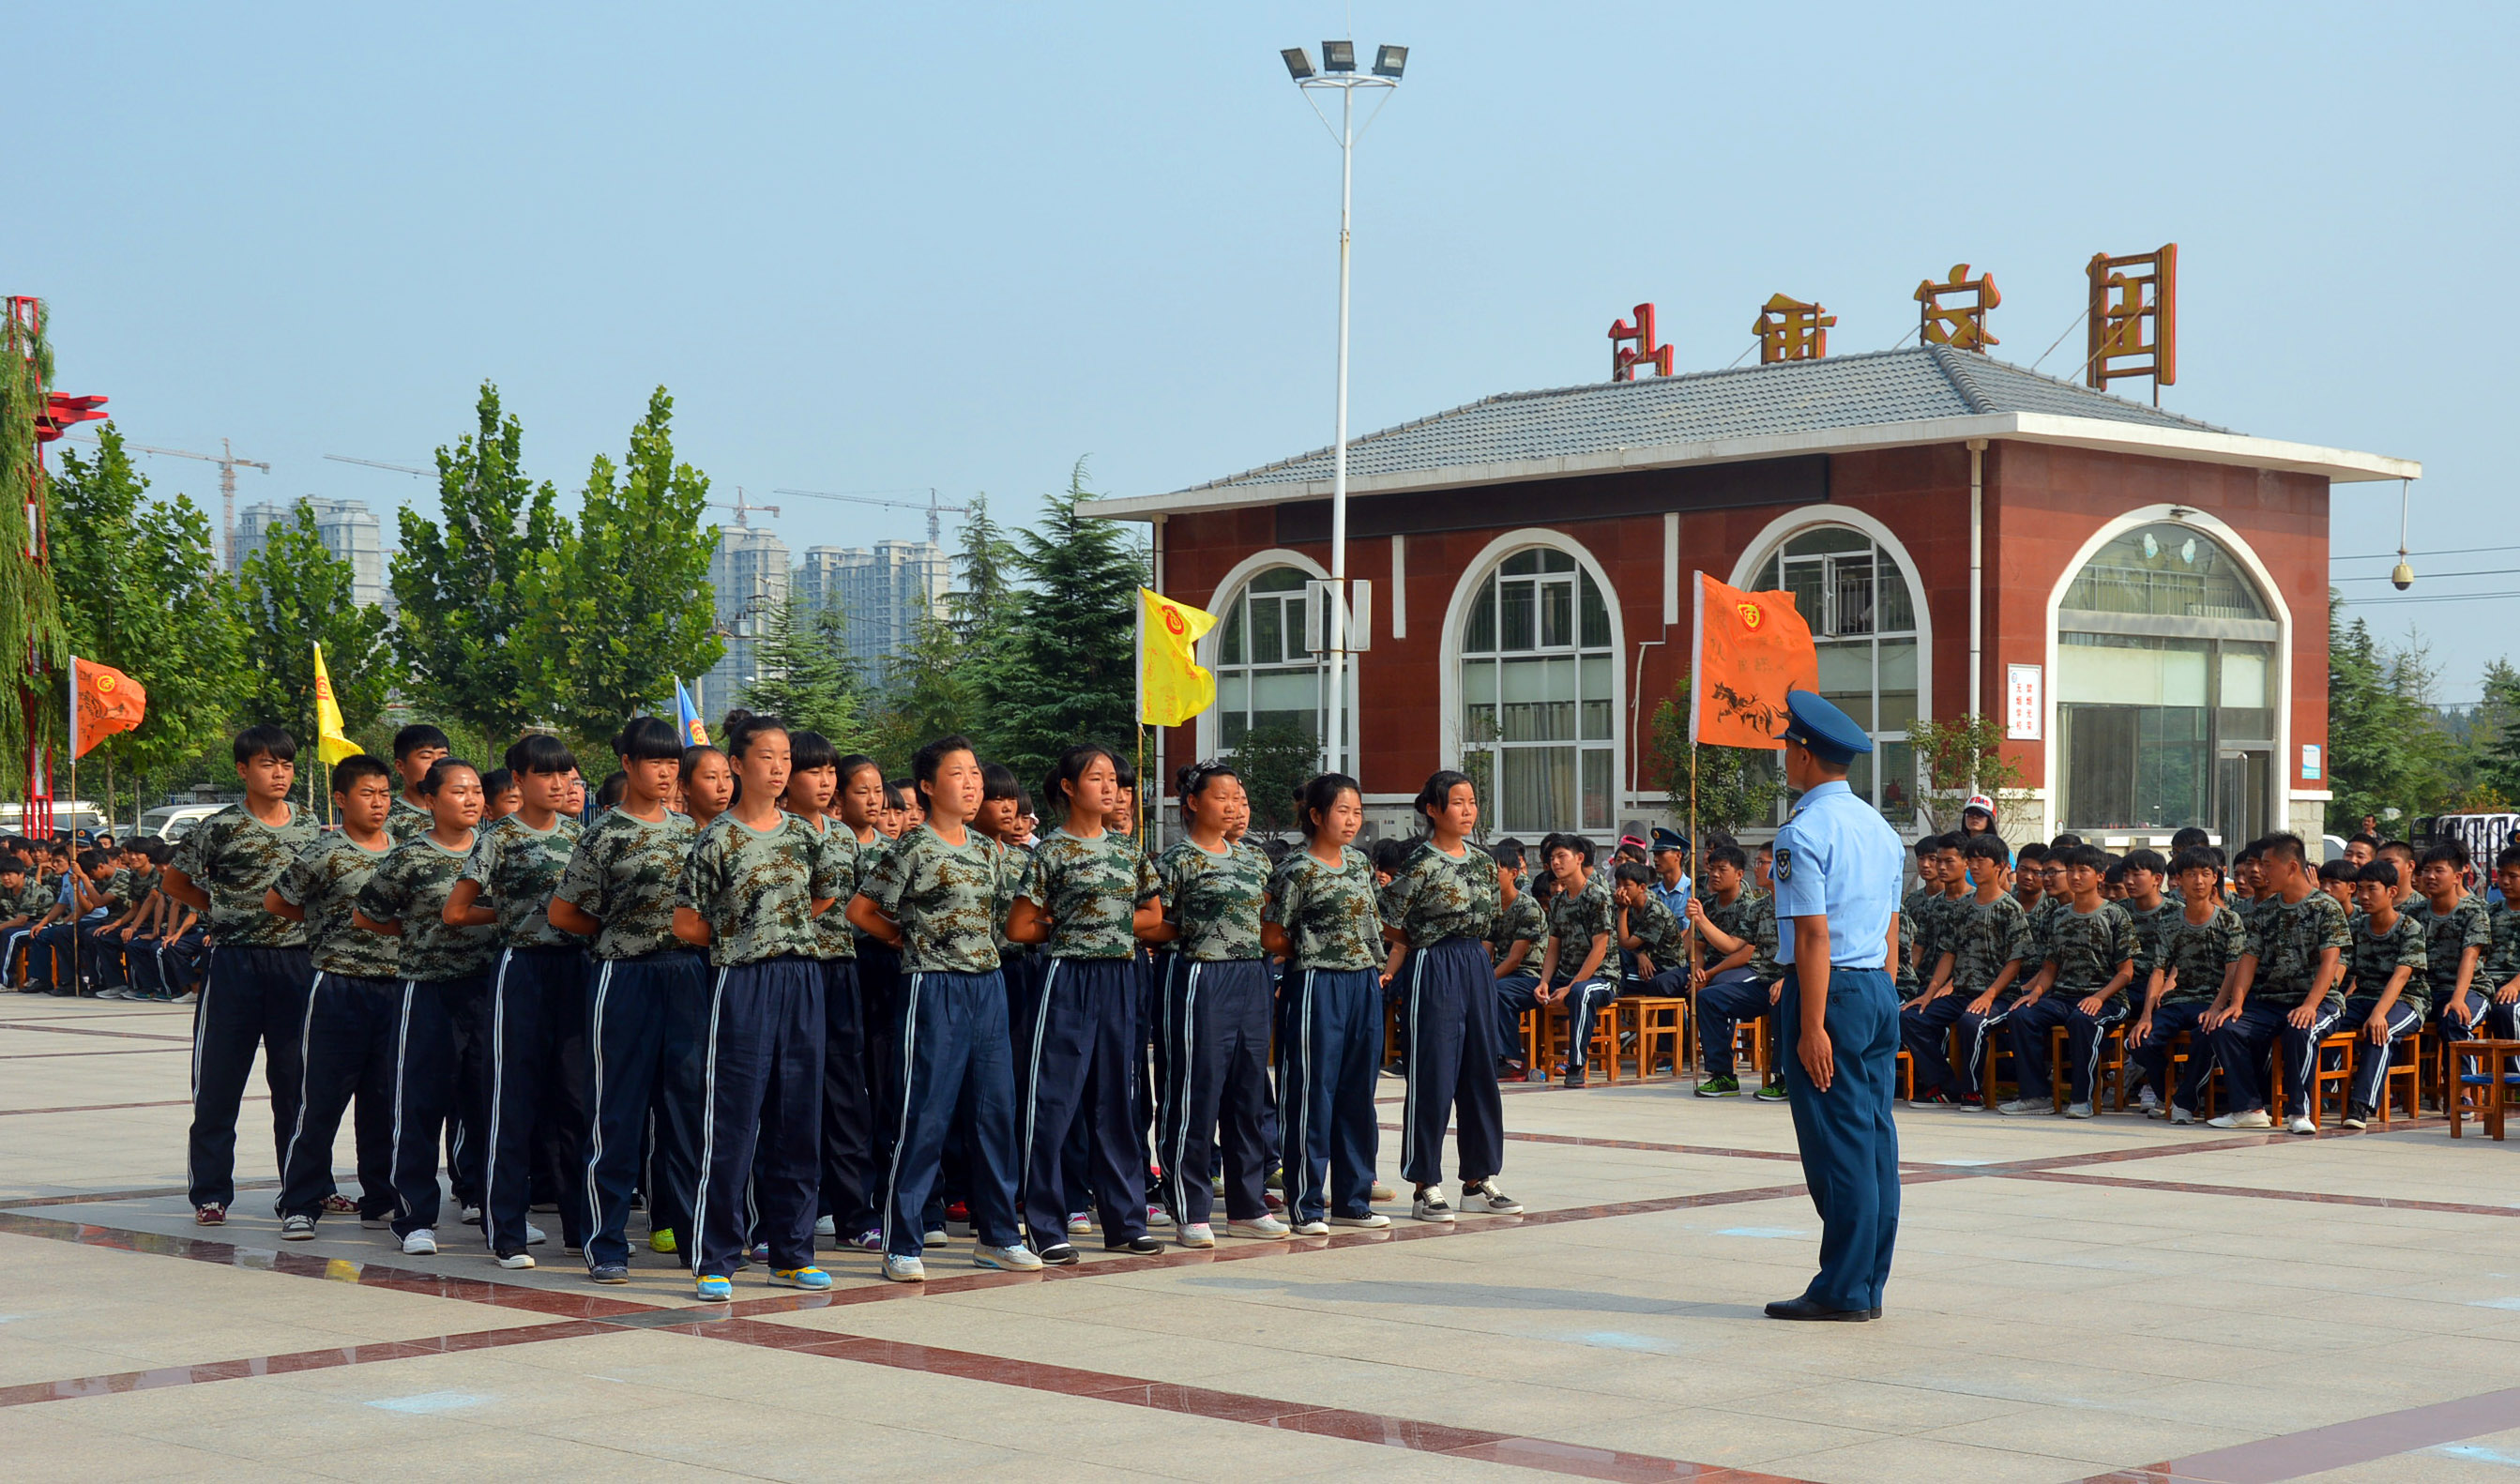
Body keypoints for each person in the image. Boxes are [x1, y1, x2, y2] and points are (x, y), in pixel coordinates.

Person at [849, 735, 1038, 1282]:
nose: (972, 783)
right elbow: (862, 910)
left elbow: (1002, 920)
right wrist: (902, 940)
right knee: (925, 1115)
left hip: (988, 987)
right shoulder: (912, 847)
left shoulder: (986, 849)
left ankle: (998, 1236)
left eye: (975, 773)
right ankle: (902, 1241)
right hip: (933, 988)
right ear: (929, 787)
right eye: (959, 774)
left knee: (994, 1114)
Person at [671, 711, 844, 1300]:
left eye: (785, 758)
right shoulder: (716, 837)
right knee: (733, 1120)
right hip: (741, 982)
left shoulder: (806, 835)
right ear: (738, 764)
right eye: (766, 757)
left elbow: (822, 897)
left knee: (799, 1120)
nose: (778, 768)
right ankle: (716, 1257)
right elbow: (686, 923)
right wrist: (743, 937)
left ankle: (792, 1253)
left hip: (802, 978)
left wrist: (779, 928)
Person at [548, 718, 706, 1282]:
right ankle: (607, 1241)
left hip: (686, 976)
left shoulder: (693, 832)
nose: (665, 773)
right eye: (654, 762)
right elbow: (563, 913)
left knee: (687, 1115)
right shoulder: (604, 833)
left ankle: (694, 1239)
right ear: (628, 765)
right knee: (616, 1115)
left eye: (672, 763)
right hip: (624, 978)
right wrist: (616, 934)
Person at [1763, 689, 1904, 1324]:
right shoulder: (1881, 830)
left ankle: (1843, 1289)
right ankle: (1867, 1285)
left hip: (1829, 990)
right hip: (1874, 986)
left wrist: (1812, 1024)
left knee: (1837, 1146)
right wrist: (1884, 994)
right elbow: (1892, 929)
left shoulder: (1803, 831)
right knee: (1873, 1141)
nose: (1785, 758)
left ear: (1803, 754)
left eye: (1787, 749)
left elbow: (1813, 936)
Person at [1005, 745, 1165, 1263]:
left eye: (1113, 778)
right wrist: (1071, 929)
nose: (1110, 787)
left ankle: (1126, 1221)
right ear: (1069, 788)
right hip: (1067, 978)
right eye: (1097, 778)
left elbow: (1153, 916)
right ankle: (1047, 1226)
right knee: (1053, 1104)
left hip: (1120, 977)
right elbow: (1019, 927)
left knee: (1117, 1101)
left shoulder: (1127, 850)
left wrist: (1104, 924)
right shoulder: (1050, 851)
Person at [163, 725, 323, 1227]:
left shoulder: (309, 823)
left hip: (296, 964)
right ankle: (211, 1193)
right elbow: (175, 881)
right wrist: (218, 910)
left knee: (296, 1084)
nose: (279, 774)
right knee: (218, 1082)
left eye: (286, 765)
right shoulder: (220, 827)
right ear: (242, 770)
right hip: (235, 963)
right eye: (267, 764)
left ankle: (304, 1190)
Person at [445, 734, 587, 1266]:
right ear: (519, 780)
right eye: (545, 774)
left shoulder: (580, 836)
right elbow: (456, 911)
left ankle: (581, 1228)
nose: (558, 783)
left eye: (565, 774)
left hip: (576, 969)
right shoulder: (499, 838)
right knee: (512, 1099)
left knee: (576, 1101)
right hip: (521, 967)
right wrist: (513, 915)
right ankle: (506, 1231)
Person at [350, 756, 494, 1255]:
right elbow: (366, 916)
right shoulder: (410, 857)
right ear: (430, 800)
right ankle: (414, 1218)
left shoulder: (496, 849)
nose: (471, 799)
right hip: (427, 990)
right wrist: (417, 933)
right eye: (458, 791)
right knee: (420, 1106)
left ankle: (495, 1210)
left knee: (489, 1105)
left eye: (476, 790)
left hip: (487, 990)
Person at [1144, 761, 1285, 1246]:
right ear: (1193, 802)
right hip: (1199, 976)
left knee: (1248, 1094)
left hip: (1251, 977)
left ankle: (1247, 1206)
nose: (1231, 806)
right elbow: (1154, 923)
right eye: (1220, 797)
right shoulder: (1176, 861)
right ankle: (1190, 1206)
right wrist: (1195, 933)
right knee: (1195, 1093)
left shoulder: (1254, 860)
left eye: (1236, 797)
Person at [269, 755, 402, 1238]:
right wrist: (324, 927)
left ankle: (381, 1198)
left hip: (395, 986)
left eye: (384, 793)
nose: (378, 803)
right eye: (367, 794)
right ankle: (300, 1203)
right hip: (338, 985)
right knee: (321, 1100)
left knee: (384, 1102)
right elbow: (276, 900)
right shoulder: (325, 852)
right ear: (342, 799)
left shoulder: (404, 850)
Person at [1379, 769, 1518, 1224]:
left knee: (1481, 1073)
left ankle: (1478, 1180)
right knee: (1433, 1075)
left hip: (1475, 963)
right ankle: (1425, 1185)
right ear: (1432, 810)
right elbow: (1389, 918)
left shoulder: (1482, 862)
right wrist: (1417, 946)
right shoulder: (1419, 863)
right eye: (1457, 802)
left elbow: (1491, 917)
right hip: (1432, 964)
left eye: (1472, 802)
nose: (1467, 810)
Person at [1266, 773, 1389, 1235]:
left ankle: (1354, 1200)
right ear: (1316, 815)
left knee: (1358, 1093)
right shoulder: (1295, 869)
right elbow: (1272, 934)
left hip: (1363, 983)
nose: (1352, 820)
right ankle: (1306, 1202)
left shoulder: (1359, 864)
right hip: (1317, 984)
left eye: (1357, 812)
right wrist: (1315, 953)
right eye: (1343, 811)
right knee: (1312, 1092)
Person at [2203, 834, 2348, 1133]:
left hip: (2320, 1000)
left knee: (2300, 1030)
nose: (2261, 871)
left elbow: (2330, 961)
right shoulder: (2265, 910)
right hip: (2271, 1001)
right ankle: (2249, 1109)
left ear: (2291, 867)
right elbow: (2249, 958)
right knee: (2225, 1027)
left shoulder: (2325, 907)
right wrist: (2236, 1004)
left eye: (2268, 865)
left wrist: (2310, 1005)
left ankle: (2299, 1112)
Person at [1996, 844, 2135, 1118]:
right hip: (2063, 997)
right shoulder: (2058, 916)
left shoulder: (2115, 915)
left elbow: (2126, 972)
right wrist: (2036, 993)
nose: (2075, 876)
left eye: (2083, 870)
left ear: (2100, 876)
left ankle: (2082, 1098)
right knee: (2021, 1015)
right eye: (2071, 870)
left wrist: (2099, 997)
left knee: (2082, 1020)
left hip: (2108, 999)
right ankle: (2036, 1096)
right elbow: (2050, 966)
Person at [1905, 832, 2028, 1106]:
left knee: (1971, 1022)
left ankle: (1972, 1091)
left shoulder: (2010, 909)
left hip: (1999, 996)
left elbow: (2015, 960)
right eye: (1972, 860)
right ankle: (1944, 1085)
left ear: (1999, 866)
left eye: (1981, 861)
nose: (1974, 866)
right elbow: (1949, 954)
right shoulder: (1961, 908)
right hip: (1961, 993)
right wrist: (1928, 994)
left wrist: (1989, 995)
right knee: (1912, 1017)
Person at [2128, 847, 2239, 1124]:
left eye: (2205, 874)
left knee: (2207, 1035)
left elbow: (2233, 971)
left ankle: (2185, 1101)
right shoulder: (2169, 923)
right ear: (2179, 879)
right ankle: (2166, 1091)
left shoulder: (2229, 921)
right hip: (2179, 1001)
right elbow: (2158, 970)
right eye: (2191, 874)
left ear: (2215, 878)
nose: (2198, 881)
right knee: (2140, 1041)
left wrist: (2216, 1007)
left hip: (2214, 1001)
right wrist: (2146, 1015)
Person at [1684, 844, 1784, 1099]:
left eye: (1762, 863)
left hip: (1793, 982)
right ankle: (1723, 1075)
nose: (1756, 868)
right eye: (1756, 862)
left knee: (1783, 999)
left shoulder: (1799, 906)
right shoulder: (1759, 908)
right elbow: (1731, 945)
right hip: (1764, 983)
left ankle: (1784, 1077)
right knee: (1710, 998)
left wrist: (1788, 979)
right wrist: (1701, 919)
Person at [2339, 860, 2426, 1129]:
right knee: (2326, 1021)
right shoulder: (2356, 927)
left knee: (2381, 1031)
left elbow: (2401, 976)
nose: (2364, 896)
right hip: (2363, 996)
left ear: (2391, 892)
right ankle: (2322, 1095)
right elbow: (2340, 965)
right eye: (2360, 889)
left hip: (2407, 999)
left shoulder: (2410, 928)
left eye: (2372, 889)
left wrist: (2379, 1013)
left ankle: (2361, 1105)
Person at [2415, 844, 2495, 1041]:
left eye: (2439, 870)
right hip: (2426, 990)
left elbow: (2470, 956)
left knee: (2456, 1019)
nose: (2430, 876)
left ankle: (2462, 1065)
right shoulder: (2413, 913)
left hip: (2470, 989)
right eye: (2426, 870)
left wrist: (2458, 998)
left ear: (2457, 877)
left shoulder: (2474, 912)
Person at [388, 724, 452, 842]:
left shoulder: (460, 813)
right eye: (426, 757)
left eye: (443, 757)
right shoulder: (385, 817)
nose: (437, 764)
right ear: (400, 766)